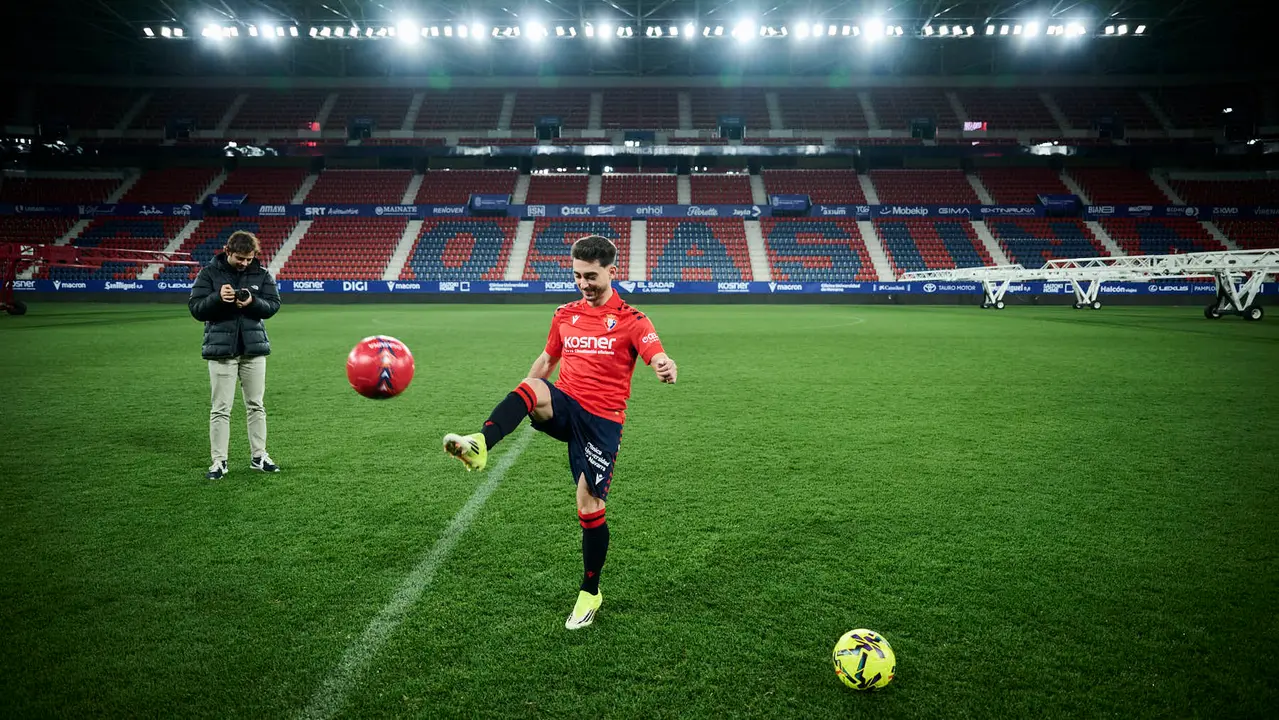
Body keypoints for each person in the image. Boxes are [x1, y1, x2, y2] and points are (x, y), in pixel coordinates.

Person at [442, 235, 677, 630]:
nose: (584, 284)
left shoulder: (633, 320)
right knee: (533, 386)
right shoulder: (565, 314)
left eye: (591, 276)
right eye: (577, 276)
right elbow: (547, 359)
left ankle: (590, 590)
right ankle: (480, 444)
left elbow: (656, 352)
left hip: (602, 423)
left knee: (589, 506)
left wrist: (664, 365)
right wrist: (522, 399)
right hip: (566, 407)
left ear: (612, 272)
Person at [188, 230, 282, 480]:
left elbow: (273, 305)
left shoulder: (262, 274)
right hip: (222, 351)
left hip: (253, 350)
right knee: (221, 408)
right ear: (227, 251)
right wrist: (218, 298)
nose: (245, 263)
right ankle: (219, 461)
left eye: (249, 259)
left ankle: (259, 456)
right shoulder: (208, 274)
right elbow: (196, 308)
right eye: (240, 258)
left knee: (256, 405)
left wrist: (252, 302)